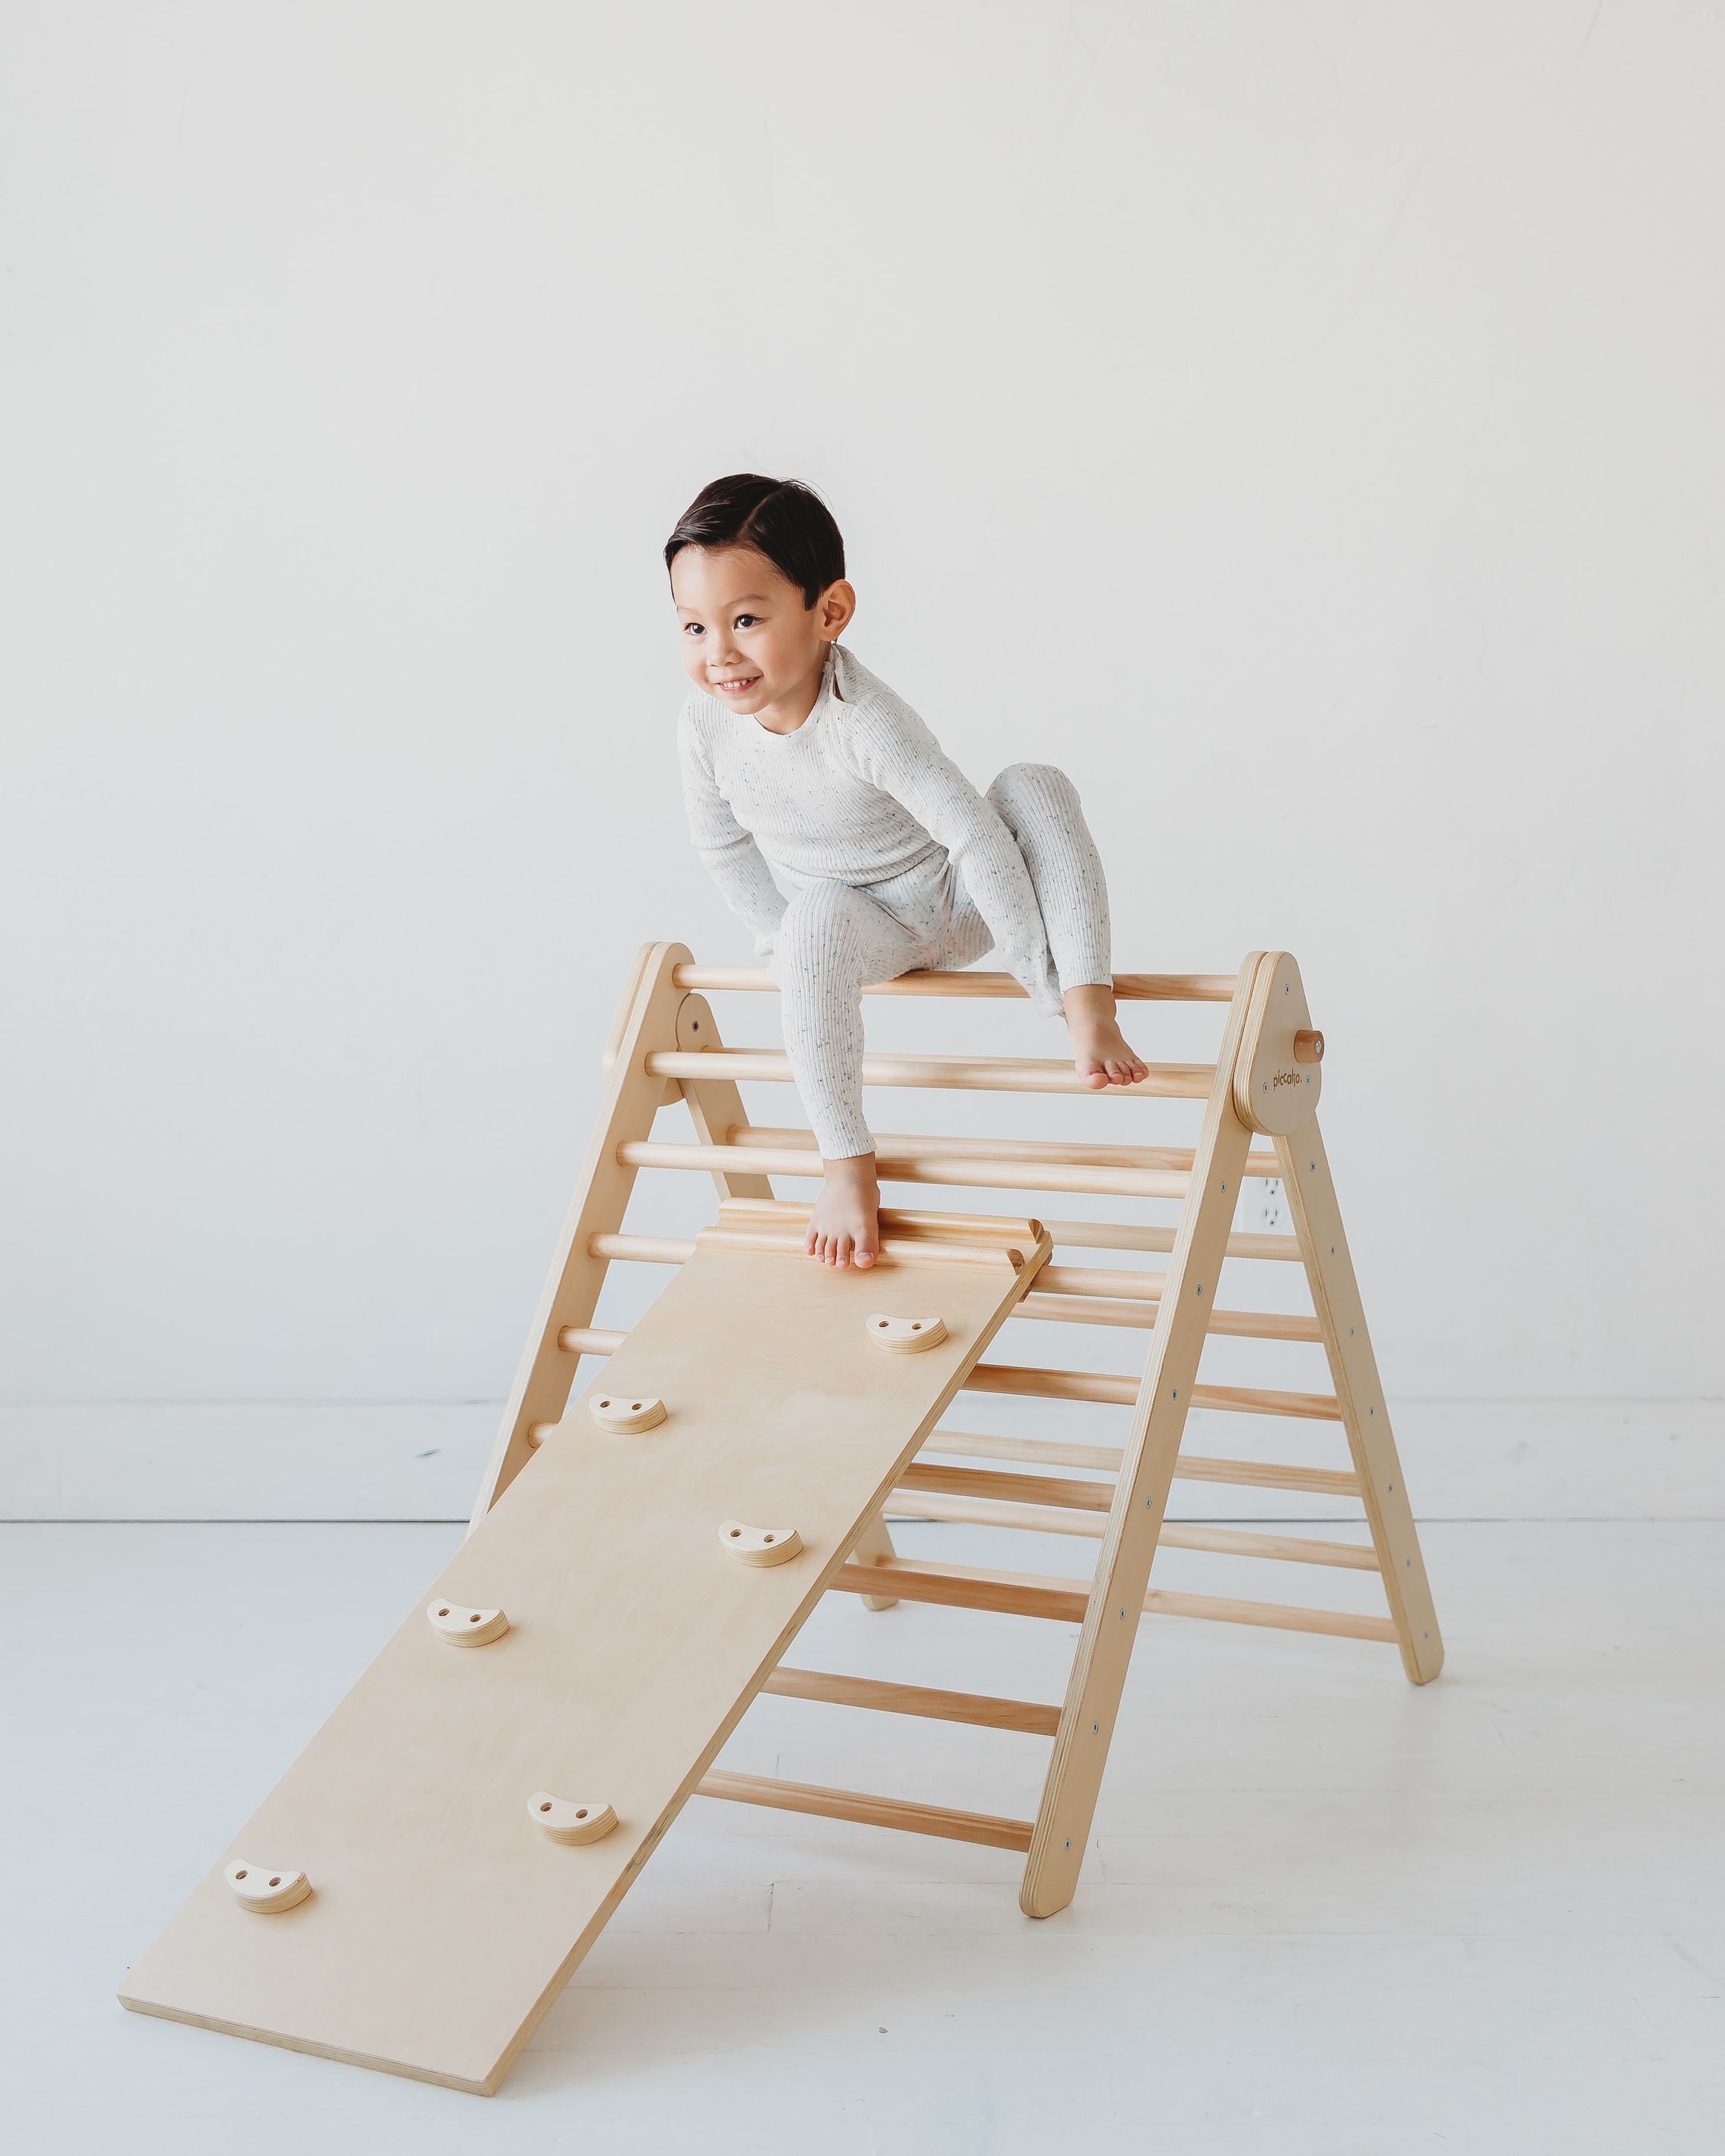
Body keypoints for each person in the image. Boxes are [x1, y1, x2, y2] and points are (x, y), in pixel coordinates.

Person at [670, 472, 1145, 1270]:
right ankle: (846, 1164)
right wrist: (778, 946)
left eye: (746, 620)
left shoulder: (867, 721)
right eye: (694, 627)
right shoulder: (703, 728)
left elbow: (976, 837)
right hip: (864, 925)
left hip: (959, 900)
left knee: (1034, 782)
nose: (719, 653)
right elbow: (721, 845)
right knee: (810, 921)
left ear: (829, 613)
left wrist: (1042, 977)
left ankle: (1086, 1003)